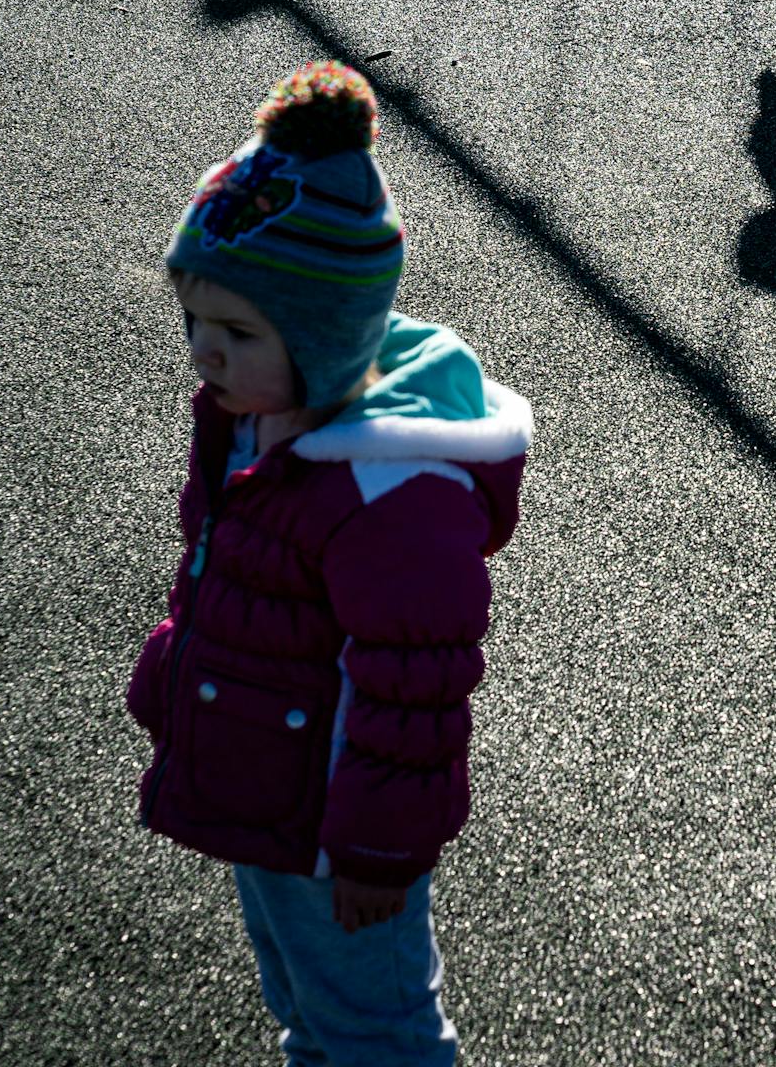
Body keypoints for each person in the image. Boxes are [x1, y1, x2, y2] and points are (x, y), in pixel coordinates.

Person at [125, 61, 532, 1066]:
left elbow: (416, 687)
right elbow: (223, 574)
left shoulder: (389, 491)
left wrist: (380, 848)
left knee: (376, 1034)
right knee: (309, 1008)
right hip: (264, 780)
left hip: (335, 825)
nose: (205, 352)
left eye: (238, 331)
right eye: (195, 320)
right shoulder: (251, 421)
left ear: (326, 338)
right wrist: (177, 674)